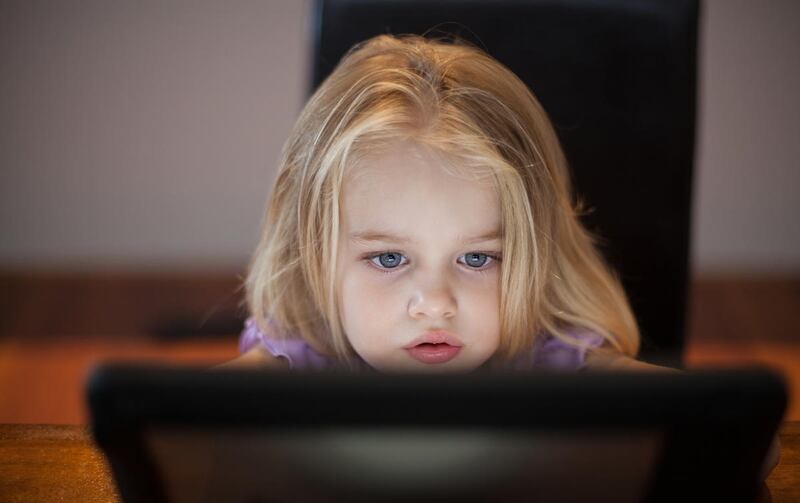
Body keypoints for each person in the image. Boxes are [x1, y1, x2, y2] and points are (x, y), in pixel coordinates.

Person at [217, 34, 779, 478]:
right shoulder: (300, 357)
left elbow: (744, 440)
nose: (435, 305)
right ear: (313, 253)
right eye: (389, 259)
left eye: (479, 259)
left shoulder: (545, 357)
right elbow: (180, 433)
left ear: (533, 254)